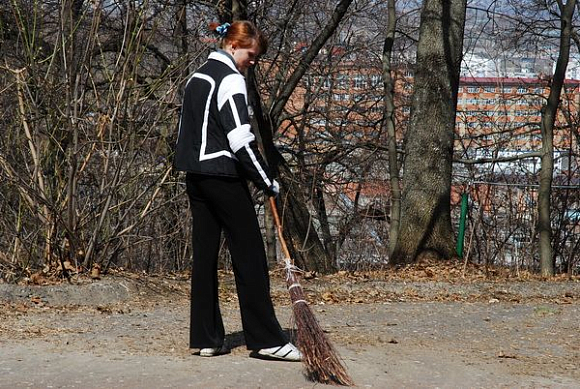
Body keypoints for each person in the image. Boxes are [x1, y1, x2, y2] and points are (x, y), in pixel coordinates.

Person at [173, 20, 302, 362]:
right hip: (222, 177)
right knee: (251, 256)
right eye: (251, 53)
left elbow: (186, 131)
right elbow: (240, 141)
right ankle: (266, 339)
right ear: (233, 45)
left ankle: (206, 338)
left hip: (195, 176)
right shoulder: (230, 79)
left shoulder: (197, 76)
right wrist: (266, 181)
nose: (253, 61)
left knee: (204, 257)